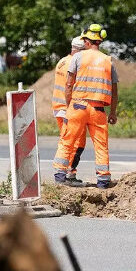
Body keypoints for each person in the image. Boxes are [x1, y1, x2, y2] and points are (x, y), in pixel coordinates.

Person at [53, 23, 118, 188]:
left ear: (87, 42)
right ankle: (103, 180)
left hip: (78, 106)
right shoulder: (108, 61)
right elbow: (114, 91)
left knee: (67, 140)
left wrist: (69, 106)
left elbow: (69, 85)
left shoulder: (78, 57)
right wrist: (113, 112)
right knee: (101, 145)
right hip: (98, 110)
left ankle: (60, 176)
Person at [52, 36, 87, 185]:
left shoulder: (62, 61)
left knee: (68, 140)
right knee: (75, 142)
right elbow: (70, 86)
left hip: (59, 107)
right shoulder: (73, 63)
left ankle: (68, 173)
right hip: (69, 108)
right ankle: (68, 175)